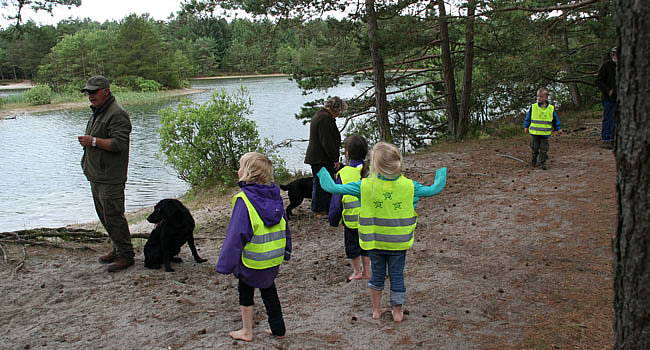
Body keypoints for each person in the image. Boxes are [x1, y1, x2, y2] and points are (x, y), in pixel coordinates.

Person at [316, 142, 447, 322]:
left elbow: (332, 188)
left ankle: (377, 310)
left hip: (375, 243)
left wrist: (321, 170)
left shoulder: (364, 186)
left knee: (377, 275)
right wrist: (441, 174)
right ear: (399, 163)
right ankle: (398, 312)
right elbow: (434, 189)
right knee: (397, 275)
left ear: (374, 165)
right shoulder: (410, 186)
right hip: (398, 243)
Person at [216, 152, 292, 342]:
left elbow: (236, 235)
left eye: (241, 166)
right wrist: (287, 250)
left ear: (248, 173)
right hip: (272, 257)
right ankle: (278, 329)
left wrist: (225, 265)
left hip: (252, 259)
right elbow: (285, 225)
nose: (238, 170)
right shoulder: (276, 196)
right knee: (269, 290)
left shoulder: (244, 200)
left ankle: (247, 331)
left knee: (245, 291)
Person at [78, 75, 134, 272]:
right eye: (88, 92)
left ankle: (126, 255)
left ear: (106, 91)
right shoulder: (98, 111)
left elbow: (119, 144)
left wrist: (93, 141)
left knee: (113, 215)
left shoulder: (117, 114)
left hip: (111, 176)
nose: (90, 96)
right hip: (96, 174)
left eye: (94, 92)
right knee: (104, 215)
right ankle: (117, 248)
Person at [328, 135, 371, 281]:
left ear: (347, 153)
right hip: (368, 218)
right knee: (366, 245)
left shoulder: (344, 173)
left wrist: (333, 218)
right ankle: (366, 271)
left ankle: (356, 272)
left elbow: (336, 200)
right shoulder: (370, 171)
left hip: (351, 219)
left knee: (352, 247)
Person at [304, 96, 348, 217]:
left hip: (317, 157)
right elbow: (327, 142)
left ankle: (321, 209)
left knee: (320, 182)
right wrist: (335, 159)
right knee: (322, 184)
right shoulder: (325, 119)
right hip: (321, 158)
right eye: (339, 111)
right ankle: (319, 210)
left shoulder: (320, 115)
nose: (338, 115)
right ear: (334, 108)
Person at [523, 87, 562, 170]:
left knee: (544, 149)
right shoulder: (533, 107)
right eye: (538, 96)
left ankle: (542, 163)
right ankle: (534, 159)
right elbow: (528, 118)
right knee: (535, 148)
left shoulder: (551, 108)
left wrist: (558, 128)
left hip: (545, 134)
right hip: (534, 133)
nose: (539, 98)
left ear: (546, 97)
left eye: (541, 97)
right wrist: (526, 126)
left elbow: (555, 119)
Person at [595, 46, 618, 149]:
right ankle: (607, 139)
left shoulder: (626, 66)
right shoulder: (607, 66)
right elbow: (599, 80)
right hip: (609, 98)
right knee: (609, 118)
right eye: (614, 53)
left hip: (622, 98)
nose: (616, 55)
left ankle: (615, 138)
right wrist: (608, 90)